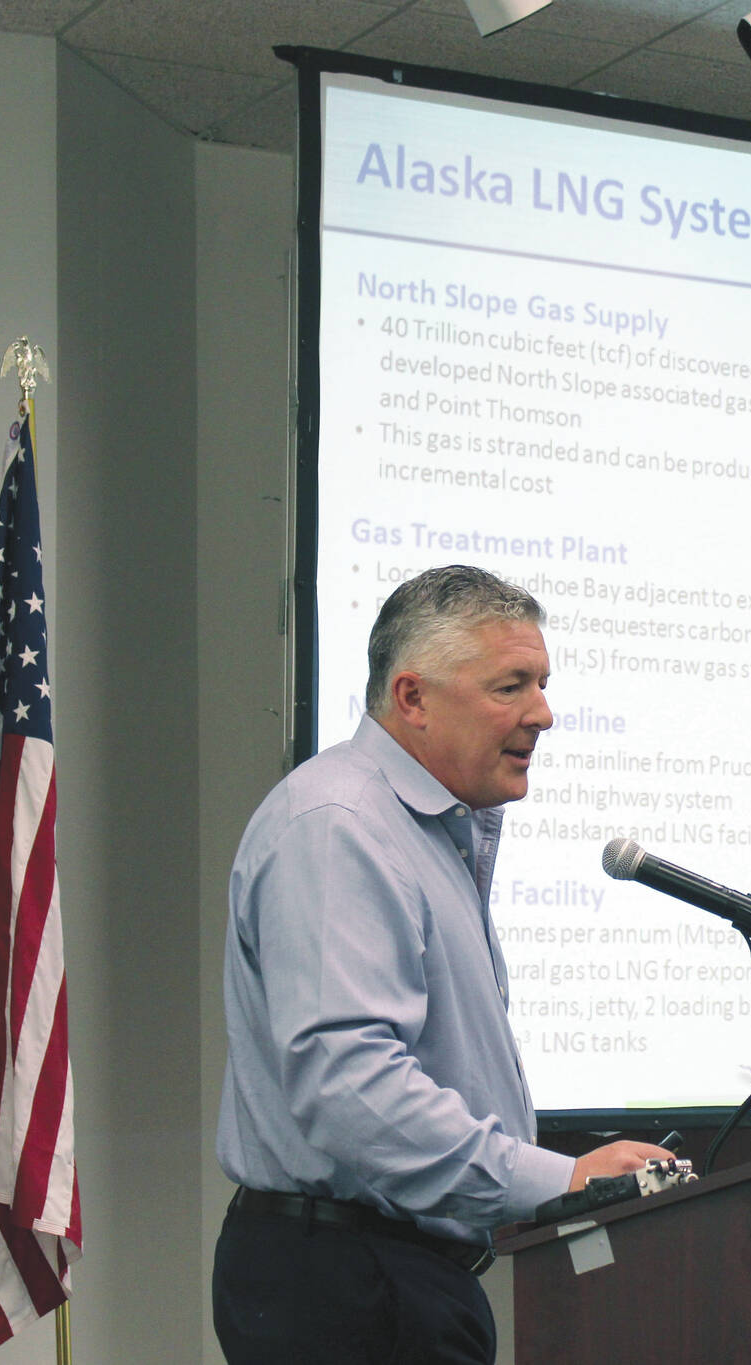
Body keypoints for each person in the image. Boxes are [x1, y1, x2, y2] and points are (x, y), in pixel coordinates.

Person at [214, 564, 670, 1365]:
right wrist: (557, 1179)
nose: (544, 712)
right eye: (511, 686)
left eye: (543, 682)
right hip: (348, 1289)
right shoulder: (340, 828)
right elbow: (352, 1089)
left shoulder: (432, 830)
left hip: (396, 1280)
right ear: (412, 697)